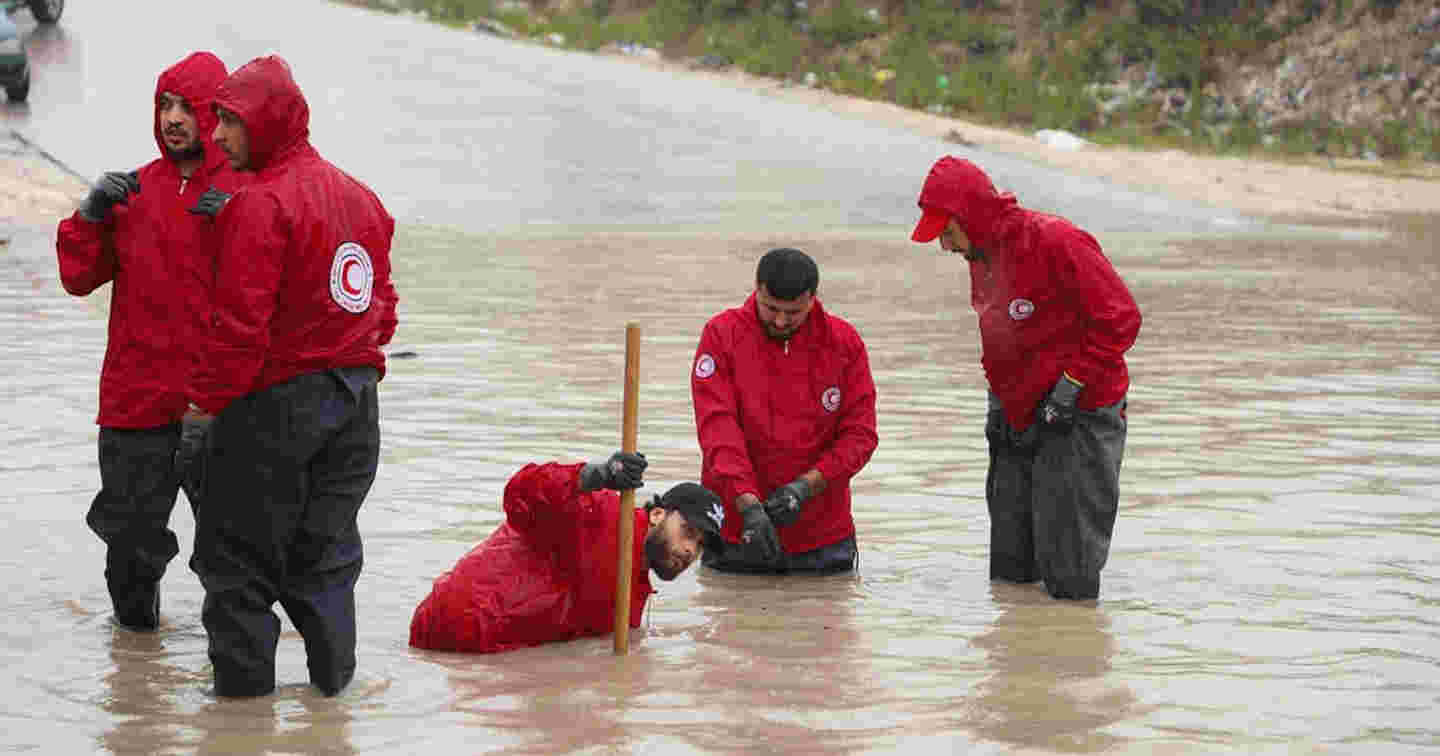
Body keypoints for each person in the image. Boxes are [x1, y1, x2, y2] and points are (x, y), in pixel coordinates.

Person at [185, 55, 399, 697]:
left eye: (228, 121)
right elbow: (382, 308)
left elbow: (239, 332)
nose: (216, 136)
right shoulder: (362, 197)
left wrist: (201, 410)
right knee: (327, 564)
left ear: (267, 122)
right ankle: (333, 709)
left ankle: (241, 726)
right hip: (357, 408)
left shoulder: (260, 203)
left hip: (277, 409)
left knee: (237, 571)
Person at [55, 51, 246, 631]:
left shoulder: (249, 192)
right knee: (131, 551)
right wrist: (88, 216)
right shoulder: (130, 193)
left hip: (220, 408)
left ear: (217, 115)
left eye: (188, 106)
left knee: (233, 556)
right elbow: (77, 278)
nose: (173, 118)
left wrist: (241, 220)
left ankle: (235, 688)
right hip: (135, 405)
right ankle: (136, 679)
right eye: (165, 104)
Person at [909, 155, 1141, 600]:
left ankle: (1075, 660)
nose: (944, 246)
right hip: (1017, 413)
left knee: (1069, 579)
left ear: (969, 216)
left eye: (946, 232)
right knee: (1010, 576)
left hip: (1080, 414)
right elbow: (1006, 335)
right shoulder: (981, 253)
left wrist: (1071, 385)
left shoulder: (1057, 240)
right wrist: (1000, 403)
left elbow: (1122, 319)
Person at [409, 452, 724, 653]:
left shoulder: (635, 592)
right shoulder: (601, 512)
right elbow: (519, 494)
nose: (689, 550)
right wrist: (591, 476)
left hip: (497, 654)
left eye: (699, 546)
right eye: (688, 532)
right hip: (453, 630)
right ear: (658, 515)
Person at [690, 247, 878, 574]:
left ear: (812, 299)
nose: (779, 320)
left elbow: (860, 436)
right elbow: (718, 430)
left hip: (823, 539)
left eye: (793, 312)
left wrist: (805, 488)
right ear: (756, 289)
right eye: (770, 308)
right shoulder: (721, 335)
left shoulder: (844, 343)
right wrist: (747, 503)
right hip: (737, 532)